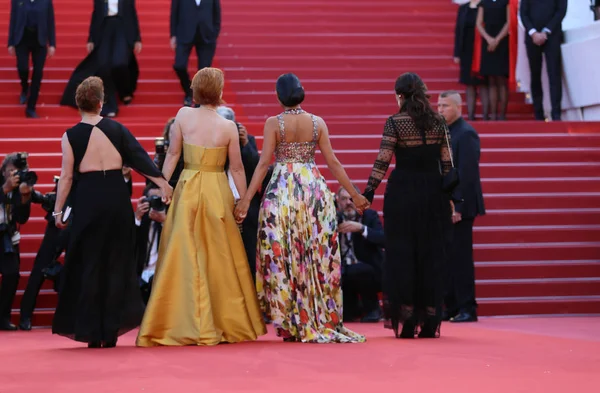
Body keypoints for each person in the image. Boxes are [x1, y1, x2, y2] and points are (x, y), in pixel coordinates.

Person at [136, 68, 266, 347]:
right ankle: (222, 322)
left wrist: (163, 184)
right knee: (220, 257)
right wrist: (243, 202)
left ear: (195, 90)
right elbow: (237, 168)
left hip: (187, 189)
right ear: (219, 93)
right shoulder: (228, 126)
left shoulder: (183, 116)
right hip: (217, 190)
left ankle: (178, 322)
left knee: (182, 255)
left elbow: (172, 154)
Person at [234, 73, 368, 344]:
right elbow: (333, 162)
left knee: (284, 255)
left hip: (282, 190)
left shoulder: (274, 123)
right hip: (313, 190)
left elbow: (262, 165)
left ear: (278, 96)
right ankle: (317, 317)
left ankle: (291, 321)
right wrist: (355, 194)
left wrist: (247, 200)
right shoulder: (318, 122)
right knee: (314, 254)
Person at [51, 76, 172, 348]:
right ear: (100, 102)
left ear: (79, 103)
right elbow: (140, 157)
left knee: (90, 264)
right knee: (116, 263)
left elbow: (67, 177)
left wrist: (58, 212)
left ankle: (93, 332)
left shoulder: (69, 136)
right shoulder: (117, 129)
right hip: (116, 198)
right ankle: (110, 330)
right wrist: (163, 182)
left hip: (87, 200)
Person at [362, 72, 454, 339]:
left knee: (403, 254)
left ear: (400, 95)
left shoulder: (395, 122)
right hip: (433, 193)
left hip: (402, 193)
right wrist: (449, 198)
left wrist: (368, 192)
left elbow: (383, 161)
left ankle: (408, 317)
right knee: (430, 254)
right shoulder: (439, 122)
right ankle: (429, 318)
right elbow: (448, 165)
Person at [437, 91, 486, 323]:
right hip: (446, 205)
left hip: (461, 207)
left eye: (445, 105)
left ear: (458, 107)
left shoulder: (466, 134)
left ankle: (468, 307)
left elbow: (467, 175)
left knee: (461, 259)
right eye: (438, 105)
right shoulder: (445, 132)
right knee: (447, 257)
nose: (440, 109)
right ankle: (452, 305)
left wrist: (456, 205)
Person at [60, 0, 142, 117]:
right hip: (105, 27)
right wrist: (91, 38)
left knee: (120, 62)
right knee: (103, 65)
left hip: (122, 27)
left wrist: (137, 38)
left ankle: (125, 91)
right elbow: (96, 14)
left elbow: (132, 13)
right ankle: (109, 104)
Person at [217, 106, 261, 279]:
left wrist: (244, 144)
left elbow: (256, 168)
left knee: (249, 256)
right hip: (221, 204)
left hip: (246, 209)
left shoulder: (247, 140)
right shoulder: (212, 141)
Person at [336, 186, 384, 323]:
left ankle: (372, 309)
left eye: (352, 198)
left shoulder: (369, 216)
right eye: (344, 199)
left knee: (360, 270)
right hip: (341, 268)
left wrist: (362, 229)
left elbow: (384, 239)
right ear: (338, 202)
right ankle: (350, 309)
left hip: (366, 268)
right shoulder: (332, 218)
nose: (348, 202)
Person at [520, 0, 568, 121]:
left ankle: (556, 114)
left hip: (553, 36)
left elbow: (561, 11)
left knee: (554, 75)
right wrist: (533, 33)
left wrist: (546, 31)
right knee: (535, 75)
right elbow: (523, 13)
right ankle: (538, 114)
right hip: (532, 38)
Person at [7, 0, 56, 118]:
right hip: (22, 38)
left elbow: (50, 21)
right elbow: (13, 19)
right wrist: (10, 43)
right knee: (22, 68)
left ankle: (31, 107)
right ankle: (25, 87)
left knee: (38, 73)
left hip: (39, 40)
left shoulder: (46, 1)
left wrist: (52, 44)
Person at [0, 154, 32, 331]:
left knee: (12, 274)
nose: (14, 175)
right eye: (11, 170)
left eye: (18, 171)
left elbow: (22, 218)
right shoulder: (3, 184)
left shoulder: (21, 186)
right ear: (3, 170)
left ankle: (3, 317)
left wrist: (25, 198)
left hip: (7, 236)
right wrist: (4, 189)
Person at [170, 0, 221, 106]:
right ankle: (189, 91)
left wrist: (214, 33)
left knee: (204, 71)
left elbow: (217, 14)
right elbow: (174, 13)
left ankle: (199, 100)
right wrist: (173, 35)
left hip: (206, 36)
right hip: (184, 34)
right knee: (179, 65)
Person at [453, 0, 489, 120]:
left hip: (482, 50)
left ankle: (486, 116)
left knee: (483, 83)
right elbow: (458, 31)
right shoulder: (463, 8)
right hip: (466, 51)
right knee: (469, 84)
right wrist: (457, 53)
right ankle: (471, 115)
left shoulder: (485, 6)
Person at [475, 0, 510, 120]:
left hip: (502, 42)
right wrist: (489, 39)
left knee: (501, 80)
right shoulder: (483, 2)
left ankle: (502, 115)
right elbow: (479, 23)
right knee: (491, 80)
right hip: (488, 43)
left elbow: (509, 22)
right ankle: (493, 114)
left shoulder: (506, 2)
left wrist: (497, 39)